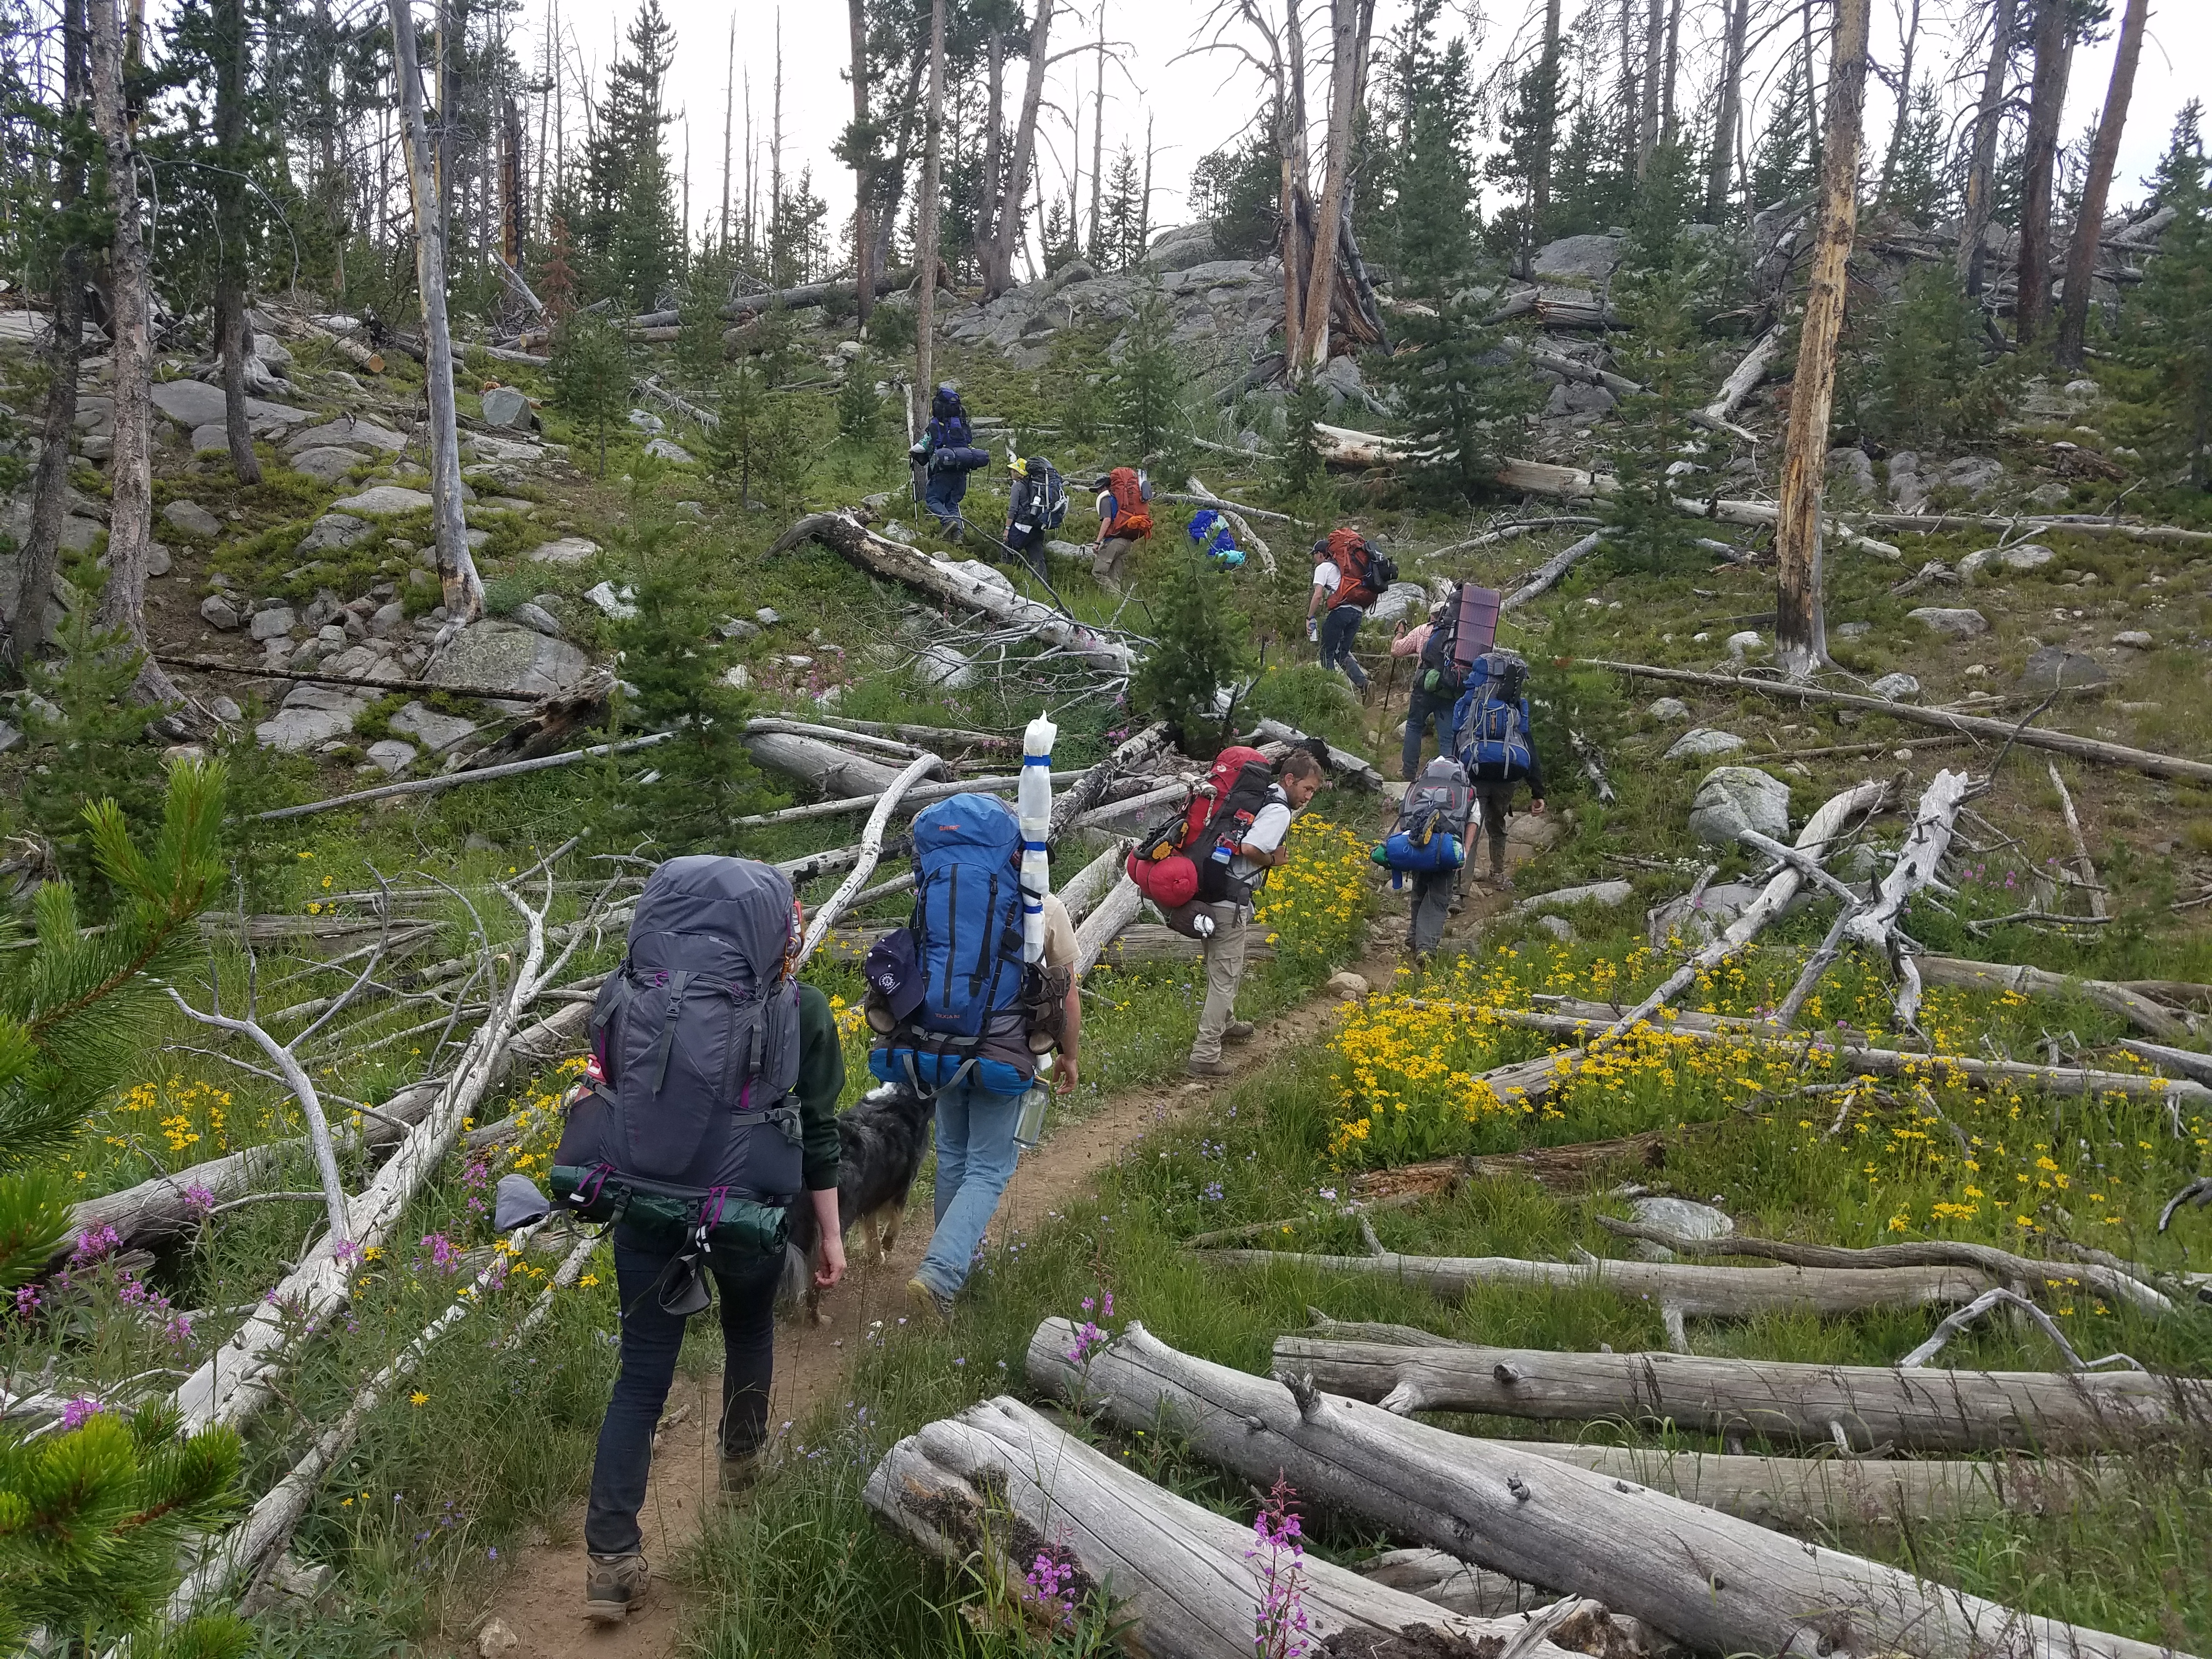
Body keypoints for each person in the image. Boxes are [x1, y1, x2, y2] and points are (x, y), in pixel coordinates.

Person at [580, 867, 847, 1626]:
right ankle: (741, 1466)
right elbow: (820, 1135)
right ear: (779, 936)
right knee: (749, 1329)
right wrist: (829, 1235)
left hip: (643, 1200)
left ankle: (609, 1562)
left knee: (640, 1379)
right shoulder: (806, 1009)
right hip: (748, 1210)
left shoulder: (627, 994)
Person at [862, 793, 1081, 1319]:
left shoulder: (933, 901)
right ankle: (941, 1275)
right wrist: (1069, 1055)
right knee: (988, 1168)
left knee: (955, 1160)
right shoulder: (1041, 907)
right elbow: (1067, 991)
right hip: (1001, 1056)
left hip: (937, 1051)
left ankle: (951, 1260)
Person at [1187, 750, 1324, 1078]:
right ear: (1289, 780)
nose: (1308, 798)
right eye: (1307, 789)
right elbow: (1251, 849)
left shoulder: (1260, 799)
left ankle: (1228, 1022)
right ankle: (1205, 1055)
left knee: (1220, 967)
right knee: (1226, 976)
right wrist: (1275, 860)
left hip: (1210, 891)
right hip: (1230, 901)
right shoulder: (1279, 811)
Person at [1449, 650, 1547, 893]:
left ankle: (1459, 892)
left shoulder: (1472, 703)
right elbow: (1529, 748)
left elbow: (1457, 740)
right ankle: (1498, 874)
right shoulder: (1514, 709)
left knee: (1471, 827)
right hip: (1506, 776)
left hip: (1475, 775)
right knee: (1498, 824)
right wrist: (1538, 791)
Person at [1306, 527, 1383, 692]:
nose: (1314, 558)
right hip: (1357, 612)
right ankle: (1364, 685)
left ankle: (1333, 692)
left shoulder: (1323, 568)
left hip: (1341, 612)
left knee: (1326, 652)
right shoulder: (1342, 568)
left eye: (1314, 555)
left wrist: (1309, 617)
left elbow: (1318, 595)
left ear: (1320, 554)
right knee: (1342, 653)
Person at [912, 382, 986, 535]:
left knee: (933, 500)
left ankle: (947, 521)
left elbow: (923, 446)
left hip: (943, 471)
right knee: (952, 504)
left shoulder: (937, 424)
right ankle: (957, 536)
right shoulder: (960, 424)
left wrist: (912, 451)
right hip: (962, 469)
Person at [1391, 601, 1453, 781]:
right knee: (1447, 737)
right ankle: (1447, 777)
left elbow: (1396, 651)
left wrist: (1400, 632)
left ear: (1432, 616)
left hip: (1424, 687)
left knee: (1414, 726)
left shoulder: (1422, 631)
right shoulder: (1457, 633)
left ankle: (1409, 773)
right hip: (1449, 688)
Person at [1004, 453, 1068, 579]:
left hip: (1021, 528)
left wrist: (1007, 529)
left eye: (1013, 470)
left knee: (1007, 551)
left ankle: (1007, 580)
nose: (1011, 472)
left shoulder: (1018, 486)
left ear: (1018, 473)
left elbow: (1013, 510)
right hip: (1038, 526)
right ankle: (1042, 586)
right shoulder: (1036, 484)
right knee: (1038, 560)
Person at [1092, 465, 1153, 591]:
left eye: (1098, 489)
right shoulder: (1120, 501)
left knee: (1098, 572)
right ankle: (1117, 604)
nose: (1097, 492)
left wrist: (1097, 542)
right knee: (1115, 578)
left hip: (1114, 541)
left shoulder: (1106, 500)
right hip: (1127, 542)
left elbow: (1107, 520)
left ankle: (1114, 596)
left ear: (1104, 487)